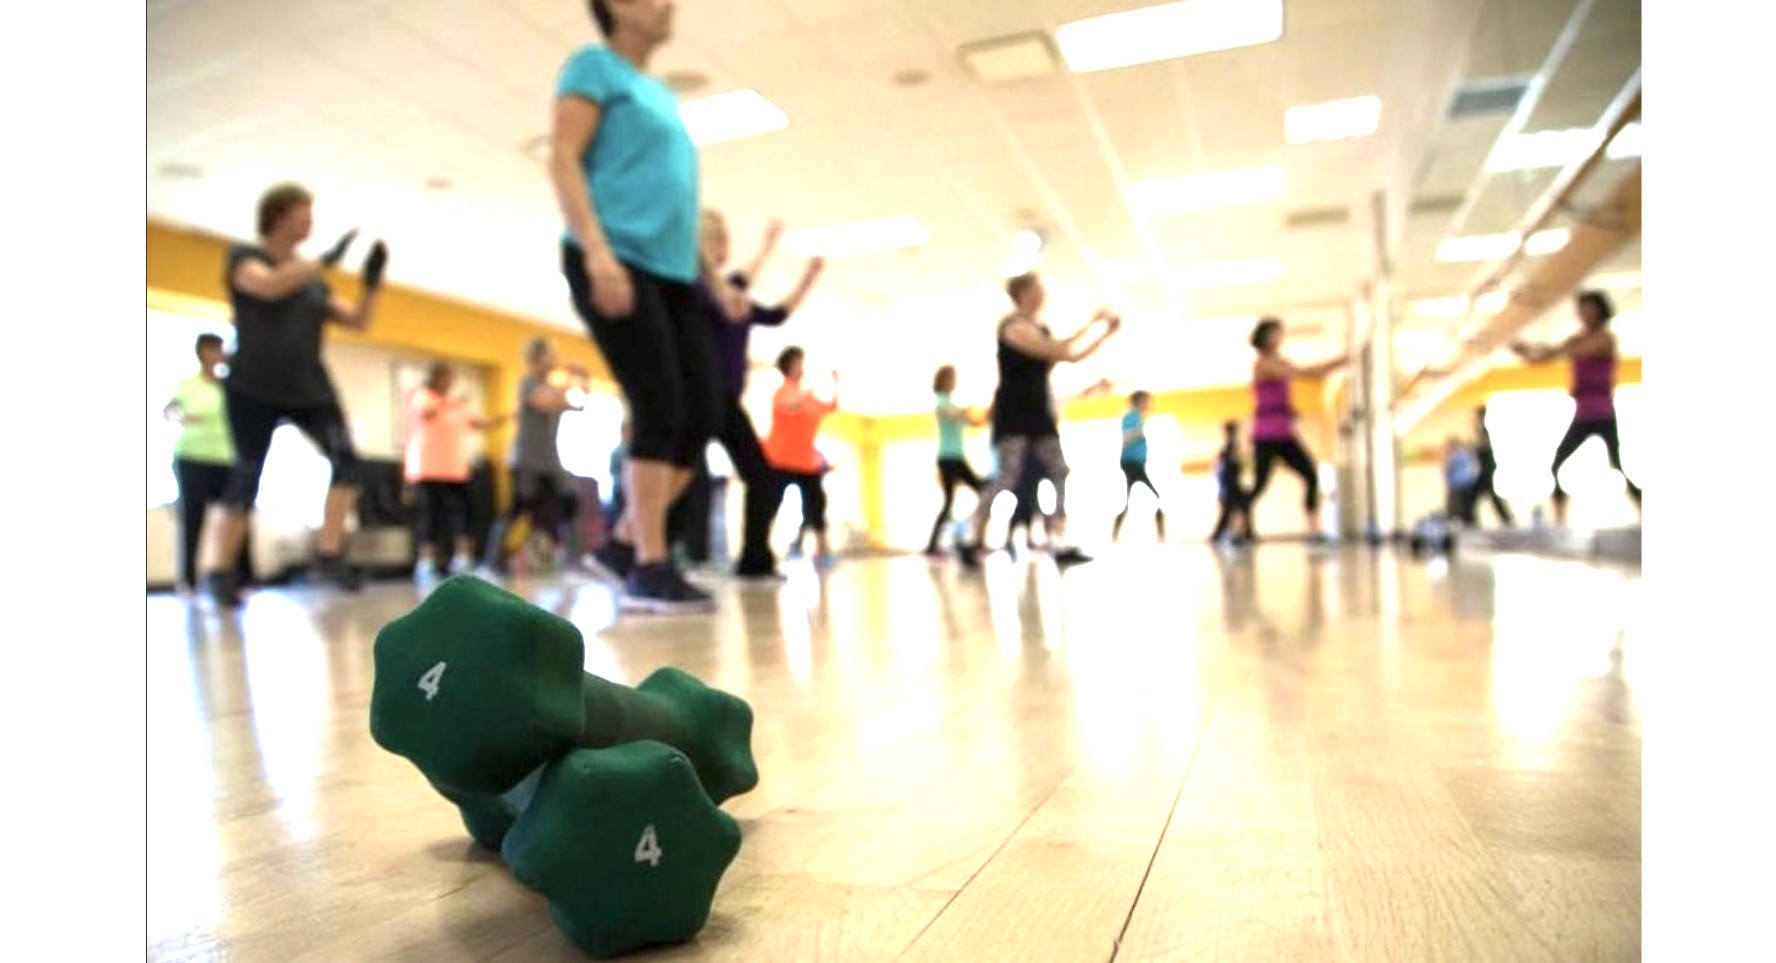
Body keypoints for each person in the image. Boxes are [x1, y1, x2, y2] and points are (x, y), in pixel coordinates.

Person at [547, 0, 720, 612]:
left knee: (704, 412)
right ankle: (649, 564)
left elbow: (674, 198)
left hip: (672, 273)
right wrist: (596, 252)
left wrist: (710, 277)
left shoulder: (661, 96)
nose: (667, 4)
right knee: (660, 404)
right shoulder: (593, 67)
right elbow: (564, 157)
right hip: (616, 257)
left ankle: (623, 545)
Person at [200, 182, 387, 608]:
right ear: (280, 214)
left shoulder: (314, 282)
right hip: (252, 387)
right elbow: (267, 286)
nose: (310, 222)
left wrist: (372, 285)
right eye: (304, 214)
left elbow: (358, 321)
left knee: (348, 464)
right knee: (246, 477)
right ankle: (218, 571)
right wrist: (324, 262)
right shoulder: (246, 259)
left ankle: (328, 551)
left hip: (309, 388)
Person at [655, 210, 823, 581]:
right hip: (696, 398)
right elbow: (739, 282)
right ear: (704, 244)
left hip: (726, 403)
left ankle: (754, 561)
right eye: (720, 239)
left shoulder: (731, 298)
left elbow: (777, 314)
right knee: (682, 478)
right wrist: (766, 245)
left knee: (760, 478)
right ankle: (655, 556)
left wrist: (807, 280)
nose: (726, 246)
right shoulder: (700, 291)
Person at [957, 272, 1121, 568]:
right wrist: (1091, 324)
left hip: (1039, 416)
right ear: (1022, 293)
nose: (1042, 293)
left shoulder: (1040, 329)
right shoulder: (1012, 327)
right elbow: (1059, 350)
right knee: (1007, 477)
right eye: (1037, 289)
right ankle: (972, 535)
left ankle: (1057, 538)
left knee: (1060, 469)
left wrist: (1104, 334)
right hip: (1014, 415)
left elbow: (1070, 355)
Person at [1511, 290, 1642, 526]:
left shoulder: (1605, 338)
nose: (1584, 314)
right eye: (1582, 310)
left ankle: (1643, 508)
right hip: (1582, 415)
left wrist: (1552, 349)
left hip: (1603, 413)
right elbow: (1544, 357)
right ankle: (1560, 517)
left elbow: (1578, 351)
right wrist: (1525, 351)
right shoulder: (1576, 340)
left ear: (1600, 311)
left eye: (1589, 309)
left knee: (1618, 464)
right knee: (1557, 462)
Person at [482, 338, 582, 576]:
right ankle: (491, 562)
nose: (555, 359)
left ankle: (573, 563)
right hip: (527, 460)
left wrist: (577, 380)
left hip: (550, 462)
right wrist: (569, 378)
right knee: (516, 509)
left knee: (568, 503)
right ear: (537, 358)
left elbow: (576, 404)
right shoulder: (529, 384)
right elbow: (547, 401)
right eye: (551, 354)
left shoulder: (551, 386)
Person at [1245, 317, 1347, 541]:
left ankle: (1313, 528)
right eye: (1274, 333)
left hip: (1284, 433)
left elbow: (1310, 373)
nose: (1279, 337)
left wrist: (1343, 361)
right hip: (1265, 435)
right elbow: (1305, 373)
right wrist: (1342, 360)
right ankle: (1237, 523)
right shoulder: (1262, 363)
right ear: (1264, 337)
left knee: (1311, 475)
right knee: (1260, 484)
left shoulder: (1280, 361)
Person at [404, 362, 507, 581]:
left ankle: (461, 560)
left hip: (455, 470)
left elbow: (481, 424)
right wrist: (453, 403)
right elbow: (426, 412)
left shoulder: (459, 406)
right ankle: (427, 563)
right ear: (436, 378)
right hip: (428, 468)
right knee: (430, 517)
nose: (450, 383)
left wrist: (506, 417)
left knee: (461, 514)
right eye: (447, 378)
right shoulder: (424, 396)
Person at [164, 333, 249, 595]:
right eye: (210, 349)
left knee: (236, 514)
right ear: (200, 353)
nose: (215, 354)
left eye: (219, 349)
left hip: (227, 460)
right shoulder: (188, 384)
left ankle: (239, 580)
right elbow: (170, 410)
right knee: (193, 519)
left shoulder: (230, 386)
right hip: (192, 458)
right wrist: (182, 416)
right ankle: (188, 581)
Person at [762, 348, 839, 565]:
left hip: (806, 462)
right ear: (788, 366)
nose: (801, 367)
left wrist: (836, 384)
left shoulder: (808, 398)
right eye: (798, 363)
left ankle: (823, 552)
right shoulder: (784, 392)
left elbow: (830, 409)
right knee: (770, 506)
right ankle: (762, 549)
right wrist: (812, 385)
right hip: (780, 460)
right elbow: (790, 404)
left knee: (816, 506)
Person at [925, 365, 988, 557]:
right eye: (952, 378)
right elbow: (951, 416)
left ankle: (976, 539)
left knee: (981, 491)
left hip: (957, 457)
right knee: (952, 499)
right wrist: (965, 411)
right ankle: (932, 546)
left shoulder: (951, 403)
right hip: (948, 457)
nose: (955, 382)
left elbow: (973, 422)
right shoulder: (941, 402)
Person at [1112, 390, 1166, 542]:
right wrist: (1139, 431)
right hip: (1131, 464)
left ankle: (1115, 533)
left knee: (1128, 500)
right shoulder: (1132, 417)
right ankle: (1161, 534)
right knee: (1154, 497)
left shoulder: (1139, 417)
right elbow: (1126, 438)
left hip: (1138, 464)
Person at [1209, 419, 1252, 546]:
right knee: (1232, 509)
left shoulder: (1229, 445)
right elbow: (1231, 462)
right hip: (1230, 483)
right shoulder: (1230, 445)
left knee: (1239, 508)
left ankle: (1243, 534)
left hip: (1230, 482)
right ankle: (1226, 535)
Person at [1470, 405, 1514, 527]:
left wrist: (1473, 446)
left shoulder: (1483, 430)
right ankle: (1507, 519)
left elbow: (1484, 447)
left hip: (1487, 468)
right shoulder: (1480, 430)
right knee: (1485, 496)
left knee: (1475, 496)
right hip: (1485, 467)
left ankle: (1507, 520)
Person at [1443, 436, 1482, 527]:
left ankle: (1459, 524)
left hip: (1457, 484)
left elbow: (1447, 468)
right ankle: (1470, 524)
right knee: (1466, 508)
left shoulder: (1455, 456)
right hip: (1467, 483)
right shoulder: (1467, 454)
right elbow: (1475, 468)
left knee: (1455, 507)